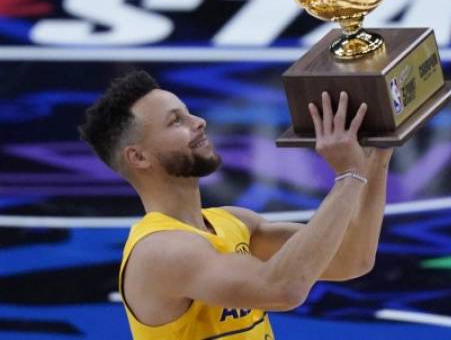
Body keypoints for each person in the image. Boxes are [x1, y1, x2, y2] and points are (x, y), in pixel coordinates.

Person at [78, 70, 393, 340]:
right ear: (138, 157)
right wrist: (349, 175)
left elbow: (351, 258)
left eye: (188, 113)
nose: (199, 122)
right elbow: (282, 290)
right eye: (176, 121)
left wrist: (376, 158)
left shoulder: (234, 222)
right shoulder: (159, 251)